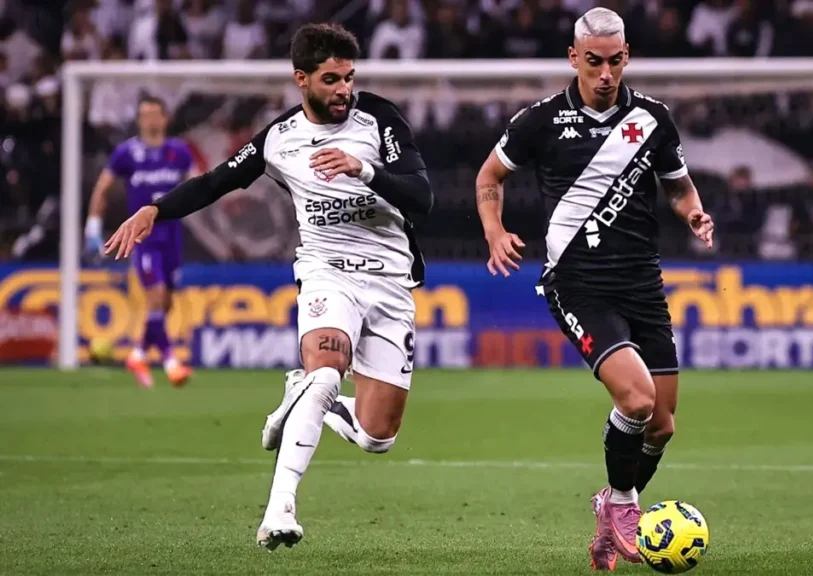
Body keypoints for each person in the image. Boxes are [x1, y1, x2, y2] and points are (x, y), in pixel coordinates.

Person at [103, 23, 433, 550]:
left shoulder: (380, 119)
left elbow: (422, 196)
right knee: (326, 369)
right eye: (331, 80)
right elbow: (218, 181)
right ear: (301, 80)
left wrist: (364, 169)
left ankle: (298, 396)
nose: (344, 90)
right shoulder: (280, 138)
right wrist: (156, 210)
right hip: (326, 272)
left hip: (390, 281)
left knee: (377, 437)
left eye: (349, 77)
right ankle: (279, 510)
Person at [474, 7, 714, 571]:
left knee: (662, 424)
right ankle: (625, 504)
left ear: (626, 57)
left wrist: (694, 212)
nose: (605, 74)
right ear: (573, 58)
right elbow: (489, 176)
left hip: (642, 285)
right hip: (578, 285)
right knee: (635, 398)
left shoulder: (653, 119)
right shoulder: (540, 121)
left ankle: (610, 505)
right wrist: (494, 232)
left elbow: (679, 188)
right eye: (593, 62)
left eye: (614, 62)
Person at [86, 96, 198, 388]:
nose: (150, 120)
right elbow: (103, 188)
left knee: (166, 302)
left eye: (154, 114)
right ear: (138, 120)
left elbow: (199, 183)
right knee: (157, 296)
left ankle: (137, 354)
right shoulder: (126, 153)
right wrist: (94, 224)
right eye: (144, 115)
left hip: (173, 234)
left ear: (165, 118)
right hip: (144, 237)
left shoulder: (179, 151)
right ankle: (171, 362)